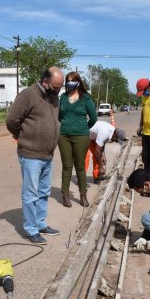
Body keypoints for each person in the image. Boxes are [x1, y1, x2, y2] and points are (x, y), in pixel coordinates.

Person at [6, 67, 63, 244]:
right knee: (31, 193)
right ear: (45, 82)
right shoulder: (27, 95)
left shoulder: (53, 97)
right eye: (56, 87)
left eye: (60, 87)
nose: (58, 91)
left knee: (44, 191)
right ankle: (31, 229)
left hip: (47, 154)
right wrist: (22, 136)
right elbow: (12, 121)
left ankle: (40, 223)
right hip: (31, 154)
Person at [58, 71, 98, 208]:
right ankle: (65, 195)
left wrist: (83, 128)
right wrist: (67, 125)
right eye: (67, 80)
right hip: (64, 136)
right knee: (67, 166)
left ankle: (82, 195)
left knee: (80, 166)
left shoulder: (86, 98)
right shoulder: (62, 97)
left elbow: (93, 118)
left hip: (81, 136)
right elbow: (59, 116)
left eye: (72, 80)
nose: (70, 83)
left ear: (78, 82)